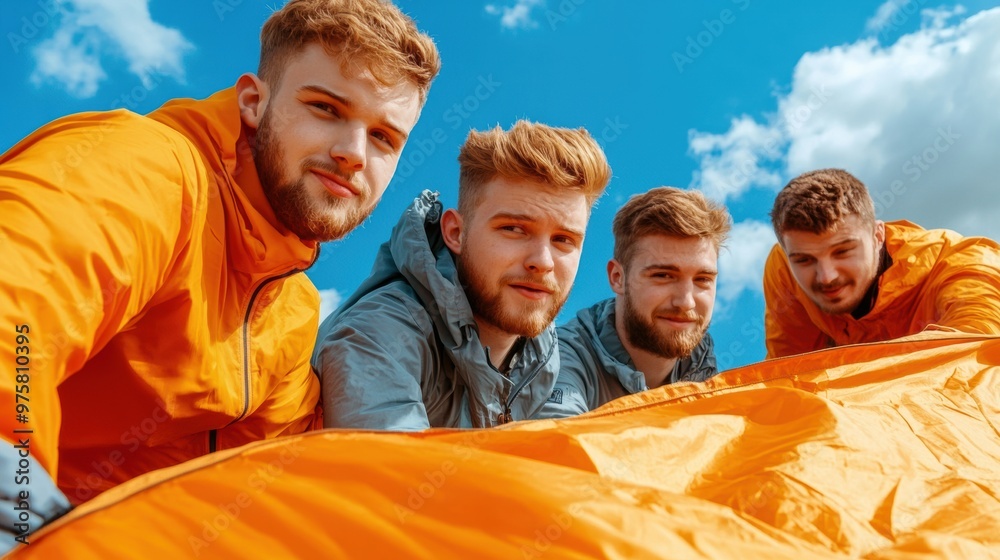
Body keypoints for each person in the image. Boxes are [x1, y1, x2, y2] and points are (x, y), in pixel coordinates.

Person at [0, 0, 441, 544]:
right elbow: (13, 326)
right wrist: (20, 516)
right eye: (326, 108)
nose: (354, 153)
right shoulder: (145, 169)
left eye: (383, 138)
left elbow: (286, 481)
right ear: (254, 101)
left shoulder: (293, 309)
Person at [313, 120, 612, 429]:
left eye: (564, 240)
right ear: (455, 232)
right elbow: (393, 473)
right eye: (514, 229)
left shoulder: (544, 359)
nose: (543, 261)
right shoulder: (377, 335)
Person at [764, 168, 1000, 358]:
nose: (827, 277)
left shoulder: (964, 262)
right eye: (805, 260)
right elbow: (786, 374)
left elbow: (977, 350)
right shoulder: (785, 267)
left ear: (878, 235)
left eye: (843, 252)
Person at [536, 187, 729, 419]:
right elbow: (560, 444)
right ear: (617, 277)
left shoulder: (703, 365)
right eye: (663, 276)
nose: (686, 302)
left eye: (702, 280)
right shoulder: (559, 360)